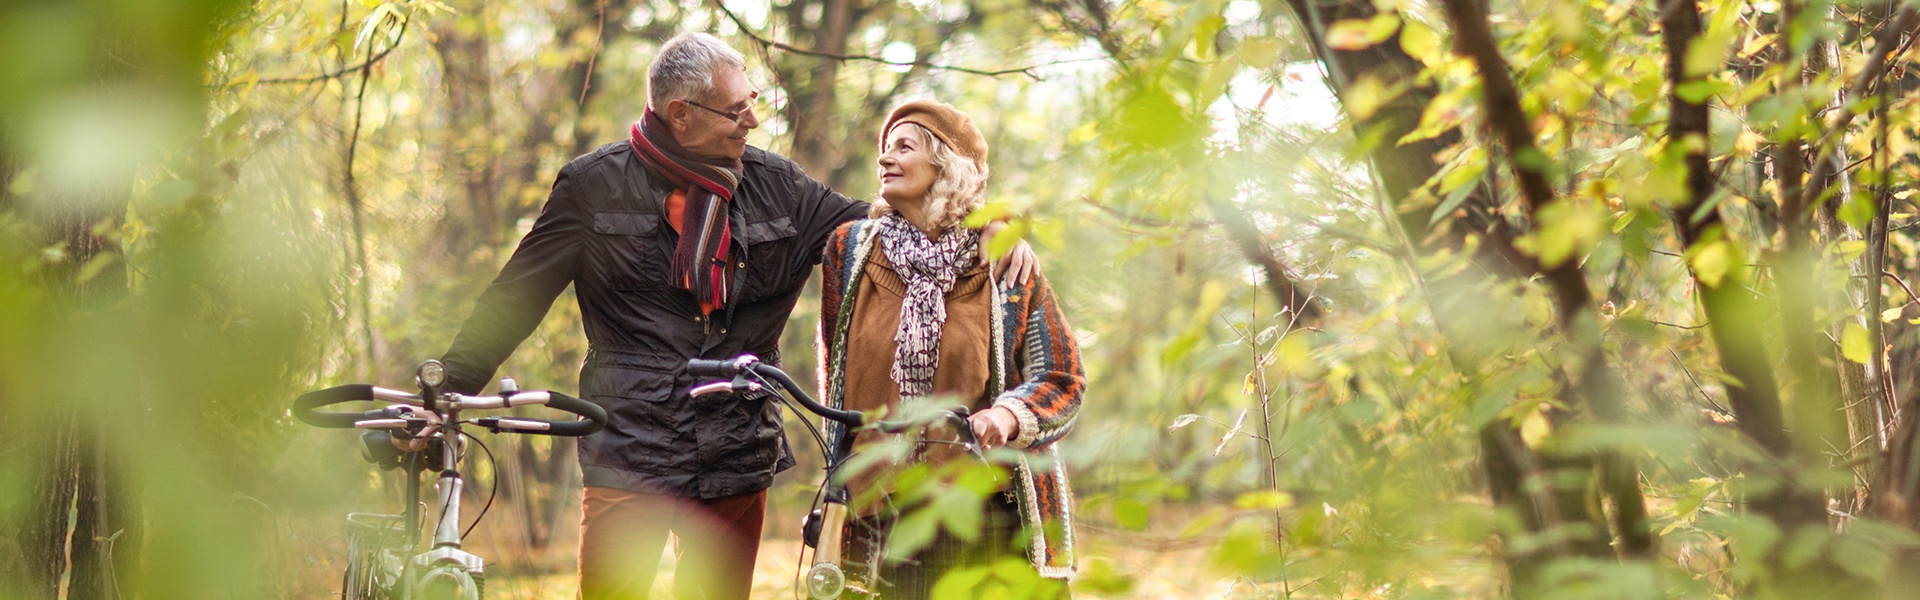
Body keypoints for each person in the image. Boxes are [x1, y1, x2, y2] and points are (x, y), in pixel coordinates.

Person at [435, 33, 1035, 600]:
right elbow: (511, 302)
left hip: (735, 451)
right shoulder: (593, 187)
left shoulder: (780, 187)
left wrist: (985, 222)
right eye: (735, 110)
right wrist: (442, 394)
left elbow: (884, 234)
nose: (752, 120)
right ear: (681, 113)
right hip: (629, 449)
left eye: (752, 103)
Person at [817, 99, 1083, 598]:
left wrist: (1007, 417)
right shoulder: (850, 251)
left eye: (904, 146)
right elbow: (837, 371)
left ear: (946, 164)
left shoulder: (1002, 263)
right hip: (878, 516)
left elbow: (1062, 379)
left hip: (985, 512)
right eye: (885, 148)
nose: (885, 158)